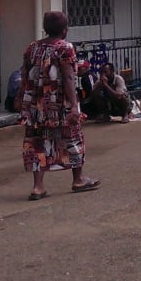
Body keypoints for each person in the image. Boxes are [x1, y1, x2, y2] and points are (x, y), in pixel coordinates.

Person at [16, 11, 99, 200]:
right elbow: (69, 77)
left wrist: (21, 98)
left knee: (37, 143)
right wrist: (74, 105)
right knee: (73, 138)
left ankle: (38, 187)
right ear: (64, 30)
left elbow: (24, 74)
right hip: (59, 105)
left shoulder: (32, 47)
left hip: (36, 106)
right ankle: (78, 180)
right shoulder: (65, 48)